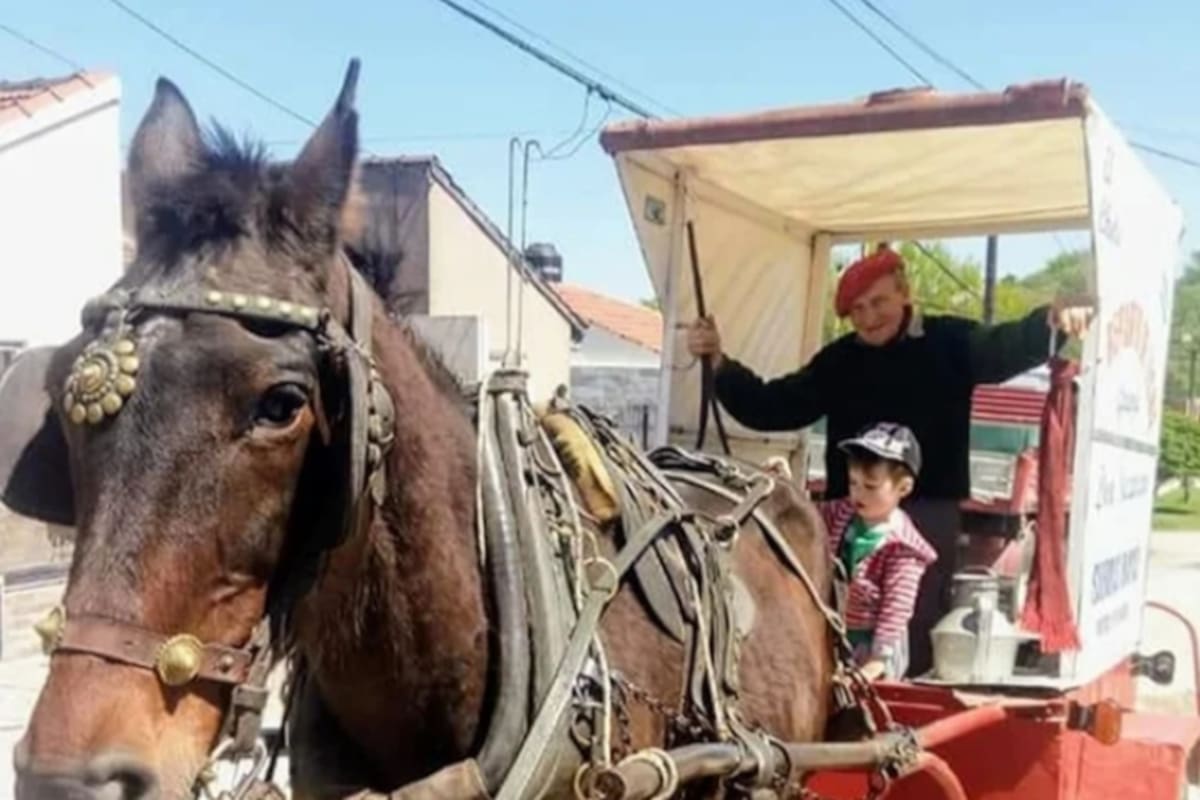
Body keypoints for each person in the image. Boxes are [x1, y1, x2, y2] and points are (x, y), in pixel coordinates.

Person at [686, 245, 1093, 676]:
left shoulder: (950, 340)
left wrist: (1050, 321)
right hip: (851, 514)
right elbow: (773, 405)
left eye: (877, 302)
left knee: (909, 629)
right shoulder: (839, 360)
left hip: (926, 512)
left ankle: (901, 719)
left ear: (904, 292)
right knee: (836, 619)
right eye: (856, 309)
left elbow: (1003, 347)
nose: (868, 317)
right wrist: (721, 365)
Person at [819, 422, 936, 681]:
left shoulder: (903, 549)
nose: (858, 493)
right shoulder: (841, 513)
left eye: (870, 486)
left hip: (871, 644)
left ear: (903, 488)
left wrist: (876, 662)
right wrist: (784, 485)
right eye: (853, 483)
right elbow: (804, 518)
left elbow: (896, 609)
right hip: (833, 633)